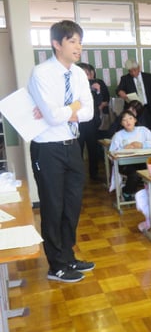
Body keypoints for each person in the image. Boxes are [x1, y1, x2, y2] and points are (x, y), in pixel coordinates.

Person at [28, 20, 95, 283]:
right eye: (72, 41)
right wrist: (73, 107)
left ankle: (67, 255)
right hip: (47, 149)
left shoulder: (78, 74)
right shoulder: (41, 73)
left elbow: (89, 113)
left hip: (71, 145)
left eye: (80, 41)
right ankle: (55, 265)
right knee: (53, 207)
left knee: (72, 206)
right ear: (57, 44)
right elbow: (53, 117)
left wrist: (66, 111)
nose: (78, 47)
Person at [109, 110, 151, 201]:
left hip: (143, 161)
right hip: (125, 164)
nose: (128, 121)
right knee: (135, 174)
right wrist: (123, 150)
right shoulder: (118, 135)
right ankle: (126, 192)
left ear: (135, 120)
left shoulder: (143, 130)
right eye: (124, 120)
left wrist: (142, 145)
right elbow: (111, 153)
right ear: (121, 123)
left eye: (130, 118)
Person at [77, 62, 110, 181]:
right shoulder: (74, 87)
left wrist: (97, 91)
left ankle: (94, 174)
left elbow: (98, 102)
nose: (86, 76)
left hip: (92, 122)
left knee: (93, 148)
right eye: (82, 73)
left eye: (87, 74)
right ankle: (79, 176)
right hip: (78, 122)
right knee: (78, 150)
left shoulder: (94, 85)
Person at [116, 59, 151, 132]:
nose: (133, 73)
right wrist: (120, 92)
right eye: (130, 71)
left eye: (134, 70)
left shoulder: (149, 77)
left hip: (148, 109)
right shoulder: (125, 79)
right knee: (135, 131)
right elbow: (118, 90)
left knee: (150, 131)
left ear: (139, 68)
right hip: (134, 110)